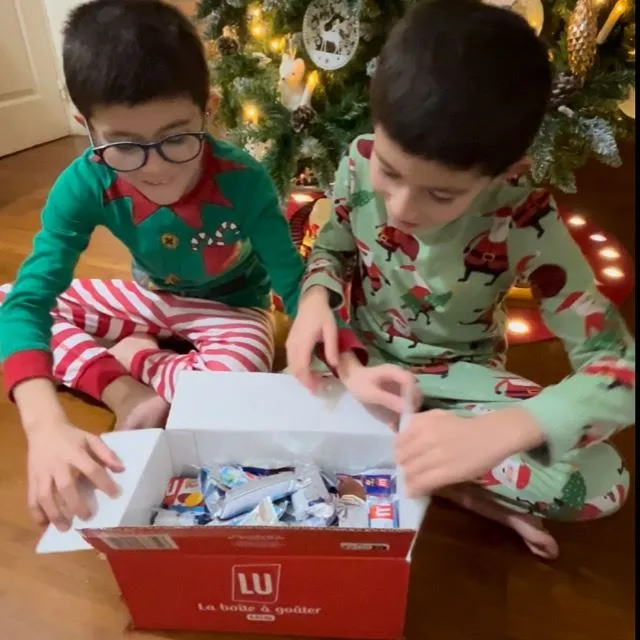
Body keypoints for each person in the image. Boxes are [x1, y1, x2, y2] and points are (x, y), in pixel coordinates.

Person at [286, 0, 635, 559]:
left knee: (604, 482)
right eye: (390, 173)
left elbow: (620, 372)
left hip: (462, 385)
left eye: (441, 194)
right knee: (293, 379)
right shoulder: (357, 159)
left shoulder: (525, 220)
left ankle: (422, 459)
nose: (400, 206)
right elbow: (332, 248)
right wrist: (315, 302)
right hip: (358, 366)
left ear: (506, 175)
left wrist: (501, 433)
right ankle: (442, 474)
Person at [0, 0, 303, 532]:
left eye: (177, 137)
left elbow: (291, 280)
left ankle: (140, 357)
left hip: (231, 310)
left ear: (208, 110)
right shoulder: (84, 181)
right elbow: (29, 299)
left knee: (240, 378)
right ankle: (123, 387)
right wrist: (45, 426)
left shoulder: (244, 179)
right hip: (152, 299)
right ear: (86, 128)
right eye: (123, 145)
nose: (156, 168)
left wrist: (328, 352)